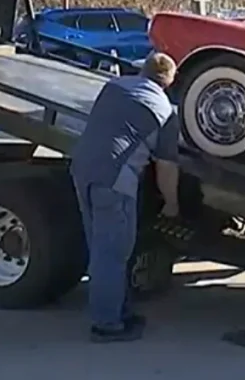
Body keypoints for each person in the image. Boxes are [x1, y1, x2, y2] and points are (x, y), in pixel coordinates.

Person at [69, 52, 181, 343]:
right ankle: (107, 325)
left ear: (142, 71)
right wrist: (171, 203)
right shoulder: (166, 113)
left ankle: (117, 310)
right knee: (114, 254)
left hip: (82, 168)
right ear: (169, 82)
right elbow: (167, 168)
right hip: (116, 179)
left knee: (100, 247)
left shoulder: (113, 86)